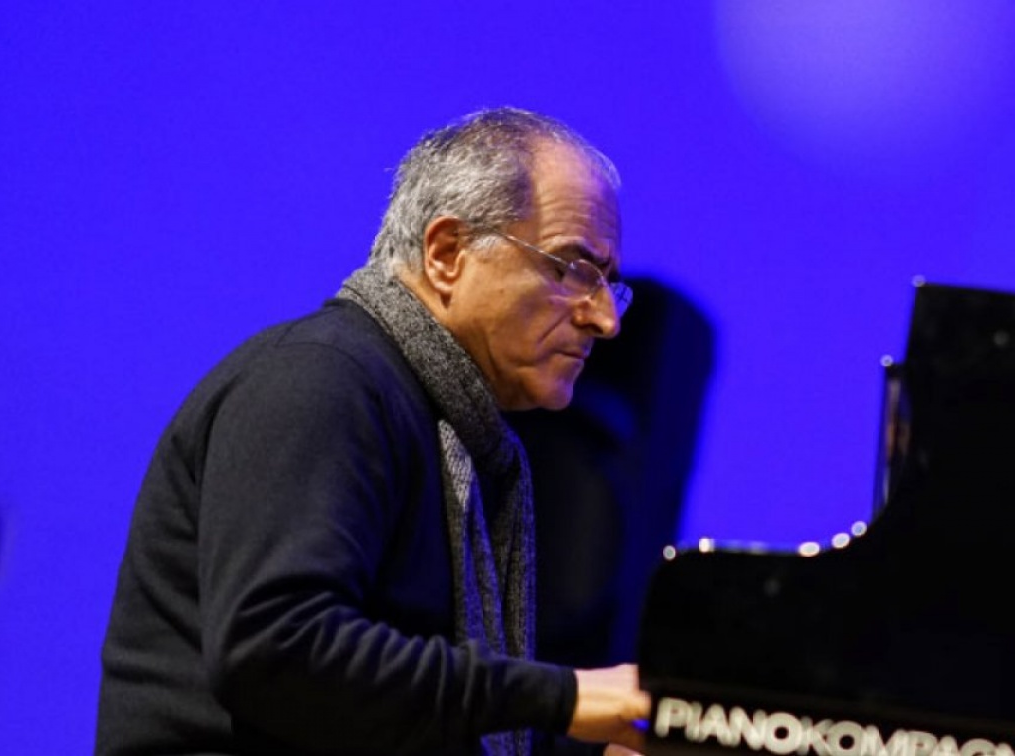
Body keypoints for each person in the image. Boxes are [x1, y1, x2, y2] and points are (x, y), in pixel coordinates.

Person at [95, 106, 651, 756]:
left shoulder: (459, 435)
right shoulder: (320, 380)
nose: (606, 319)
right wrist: (565, 697)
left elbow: (410, 715)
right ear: (447, 254)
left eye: (611, 285)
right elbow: (278, 650)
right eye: (575, 269)